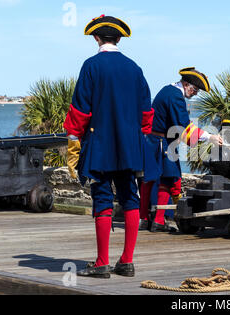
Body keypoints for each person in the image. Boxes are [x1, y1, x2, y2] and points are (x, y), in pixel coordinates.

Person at [63, 15, 154, 278]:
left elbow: (79, 110)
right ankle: (126, 261)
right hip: (129, 147)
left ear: (96, 38)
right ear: (119, 38)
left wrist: (73, 141)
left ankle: (102, 262)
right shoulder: (135, 68)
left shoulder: (91, 66)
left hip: (100, 145)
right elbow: (146, 113)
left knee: (102, 198)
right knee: (130, 197)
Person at [139, 67, 223, 232]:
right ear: (185, 84)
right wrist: (209, 136)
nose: (195, 93)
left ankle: (144, 219)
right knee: (169, 179)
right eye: (195, 89)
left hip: (155, 140)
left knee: (149, 179)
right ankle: (158, 221)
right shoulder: (176, 97)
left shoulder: (167, 90)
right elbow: (184, 126)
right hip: (163, 142)